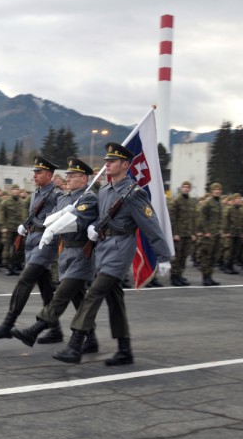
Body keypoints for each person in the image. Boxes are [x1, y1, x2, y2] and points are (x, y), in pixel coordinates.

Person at [53, 143, 172, 366]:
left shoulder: (134, 193)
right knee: (115, 300)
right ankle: (124, 349)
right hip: (103, 249)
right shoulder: (105, 190)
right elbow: (101, 218)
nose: (107, 164)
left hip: (120, 252)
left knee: (93, 294)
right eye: (106, 161)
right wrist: (94, 228)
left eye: (112, 161)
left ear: (125, 165)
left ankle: (75, 345)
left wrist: (163, 256)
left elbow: (151, 226)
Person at [10, 158, 99, 350]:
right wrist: (33, 226)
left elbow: (76, 222)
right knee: (78, 297)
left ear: (83, 179)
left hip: (80, 254)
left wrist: (61, 220)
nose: (67, 178)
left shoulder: (89, 197)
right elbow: (50, 219)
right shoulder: (65, 198)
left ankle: (36, 329)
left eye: (72, 175)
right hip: (65, 253)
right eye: (67, 175)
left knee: (61, 296)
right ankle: (91, 339)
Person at [0, 156, 61, 339]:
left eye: (39, 172)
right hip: (32, 241)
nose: (34, 175)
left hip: (46, 243)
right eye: (34, 172)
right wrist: (25, 226)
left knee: (25, 280)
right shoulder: (35, 194)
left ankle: (8, 324)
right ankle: (56, 329)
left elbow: (59, 220)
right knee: (45, 287)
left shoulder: (57, 195)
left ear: (49, 175)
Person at [168, 180, 196, 286]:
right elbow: (172, 218)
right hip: (179, 234)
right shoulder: (176, 201)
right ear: (181, 188)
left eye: (188, 187)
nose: (186, 189)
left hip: (187, 234)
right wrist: (175, 233)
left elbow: (193, 218)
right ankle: (174, 276)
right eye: (184, 187)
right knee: (177, 256)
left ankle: (179, 275)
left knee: (184, 256)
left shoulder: (191, 201)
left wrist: (193, 233)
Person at [197, 183, 223, 286]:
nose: (217, 191)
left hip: (217, 234)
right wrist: (206, 231)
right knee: (206, 256)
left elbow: (221, 219)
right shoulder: (208, 203)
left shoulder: (220, 203)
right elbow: (202, 218)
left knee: (214, 257)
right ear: (212, 191)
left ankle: (210, 276)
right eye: (215, 189)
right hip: (209, 235)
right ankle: (205, 277)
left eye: (219, 189)